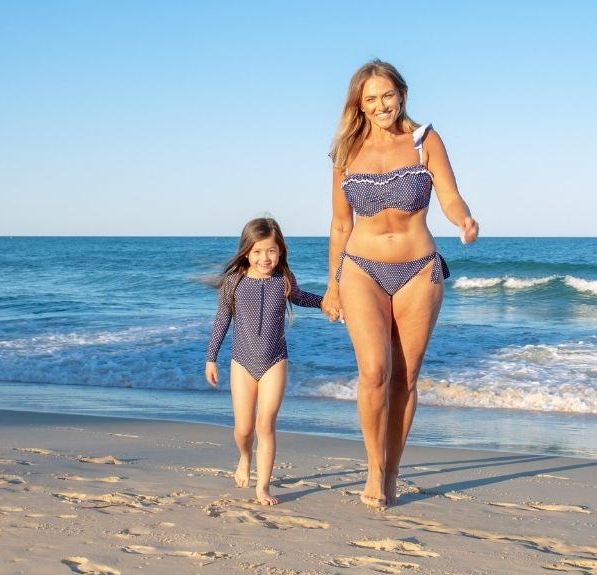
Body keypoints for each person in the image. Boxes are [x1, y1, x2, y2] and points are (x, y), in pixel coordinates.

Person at [322, 59, 479, 508]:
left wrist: (463, 218)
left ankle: (392, 471)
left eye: (387, 95)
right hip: (361, 269)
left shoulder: (425, 139)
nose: (380, 105)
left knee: (405, 378)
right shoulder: (346, 152)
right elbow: (338, 225)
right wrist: (333, 285)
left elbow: (448, 194)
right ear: (359, 103)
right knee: (374, 372)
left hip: (419, 269)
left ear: (401, 93)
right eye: (370, 98)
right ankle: (373, 468)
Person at [205, 217, 323, 506]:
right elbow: (222, 320)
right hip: (241, 362)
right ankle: (245, 457)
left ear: (280, 250)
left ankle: (263, 486)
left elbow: (302, 297)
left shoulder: (284, 280)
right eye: (257, 251)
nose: (264, 257)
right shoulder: (234, 282)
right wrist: (211, 358)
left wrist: (327, 302)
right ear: (246, 251)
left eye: (271, 250)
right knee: (244, 429)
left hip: (275, 361)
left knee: (265, 425)